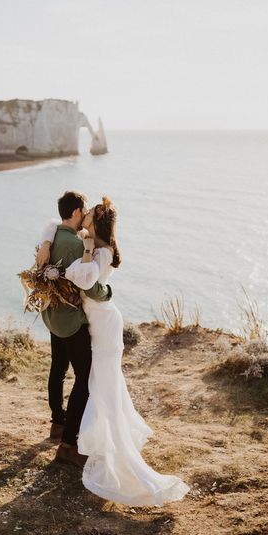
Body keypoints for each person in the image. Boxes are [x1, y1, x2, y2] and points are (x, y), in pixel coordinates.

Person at [38, 196, 190, 506]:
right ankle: (81, 440)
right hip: (92, 320)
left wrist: (72, 269)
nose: (86, 217)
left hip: (104, 322)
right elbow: (58, 232)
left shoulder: (100, 250)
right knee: (94, 381)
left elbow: (89, 282)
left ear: (95, 221)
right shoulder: (87, 241)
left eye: (91, 214)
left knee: (98, 380)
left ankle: (85, 442)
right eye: (86, 212)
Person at [38, 191, 112, 468]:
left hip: (51, 315)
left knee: (58, 366)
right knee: (85, 378)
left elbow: (49, 227)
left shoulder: (53, 234)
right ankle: (68, 445)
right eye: (84, 211)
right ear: (78, 212)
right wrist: (107, 294)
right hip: (70, 321)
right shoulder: (75, 245)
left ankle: (58, 422)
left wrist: (46, 239)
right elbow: (88, 284)